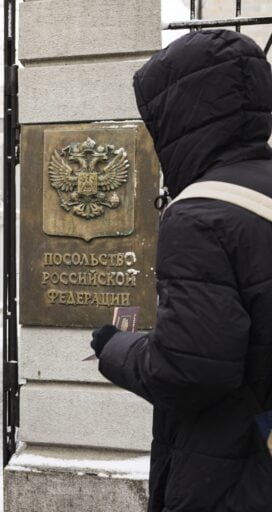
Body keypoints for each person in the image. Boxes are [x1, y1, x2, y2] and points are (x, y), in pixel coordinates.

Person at [90, 30, 272, 511]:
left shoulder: (200, 215)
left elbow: (190, 372)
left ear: (182, 115)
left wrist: (116, 348)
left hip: (230, 472)